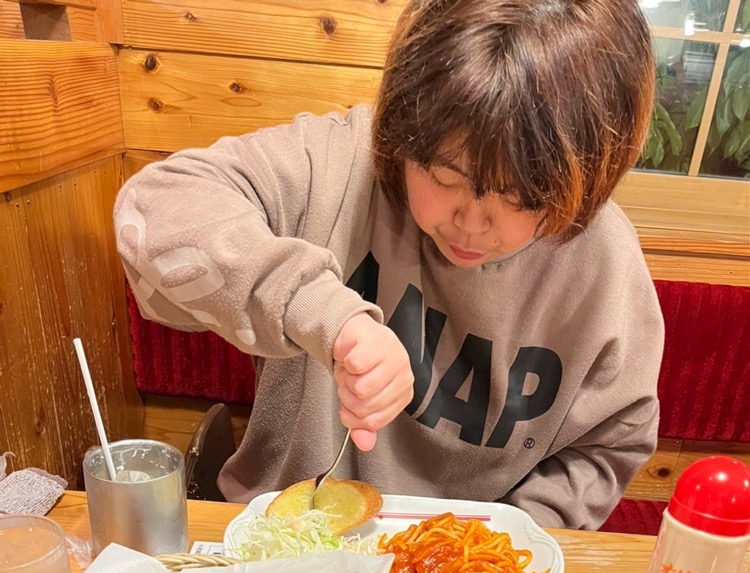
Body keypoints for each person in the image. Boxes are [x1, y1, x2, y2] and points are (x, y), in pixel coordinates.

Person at [114, 0, 664, 530]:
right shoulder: (338, 164)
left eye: (520, 198)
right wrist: (328, 316)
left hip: (468, 570)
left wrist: (508, 535)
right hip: (286, 543)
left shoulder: (604, 265)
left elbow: (609, 443)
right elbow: (154, 209)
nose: (471, 222)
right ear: (403, 134)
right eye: (445, 177)